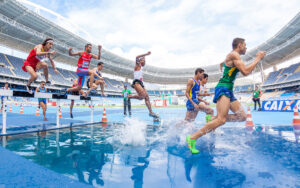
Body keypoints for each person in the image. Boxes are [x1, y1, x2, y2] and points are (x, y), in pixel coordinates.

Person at [186, 38, 266, 154]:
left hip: (228, 89)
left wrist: (223, 66)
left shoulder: (232, 57)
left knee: (242, 116)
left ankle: (213, 119)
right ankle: (192, 138)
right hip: (223, 89)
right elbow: (245, 71)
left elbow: (223, 65)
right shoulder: (234, 55)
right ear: (239, 45)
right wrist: (258, 58)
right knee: (222, 120)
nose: (246, 48)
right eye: (245, 45)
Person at [129, 51, 159, 119]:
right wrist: (146, 54)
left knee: (146, 97)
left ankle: (151, 112)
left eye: (145, 60)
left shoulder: (141, 66)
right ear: (140, 61)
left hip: (141, 83)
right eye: (143, 60)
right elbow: (137, 57)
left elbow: (143, 60)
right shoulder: (138, 65)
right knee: (142, 96)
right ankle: (130, 96)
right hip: (136, 82)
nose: (144, 61)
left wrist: (144, 57)